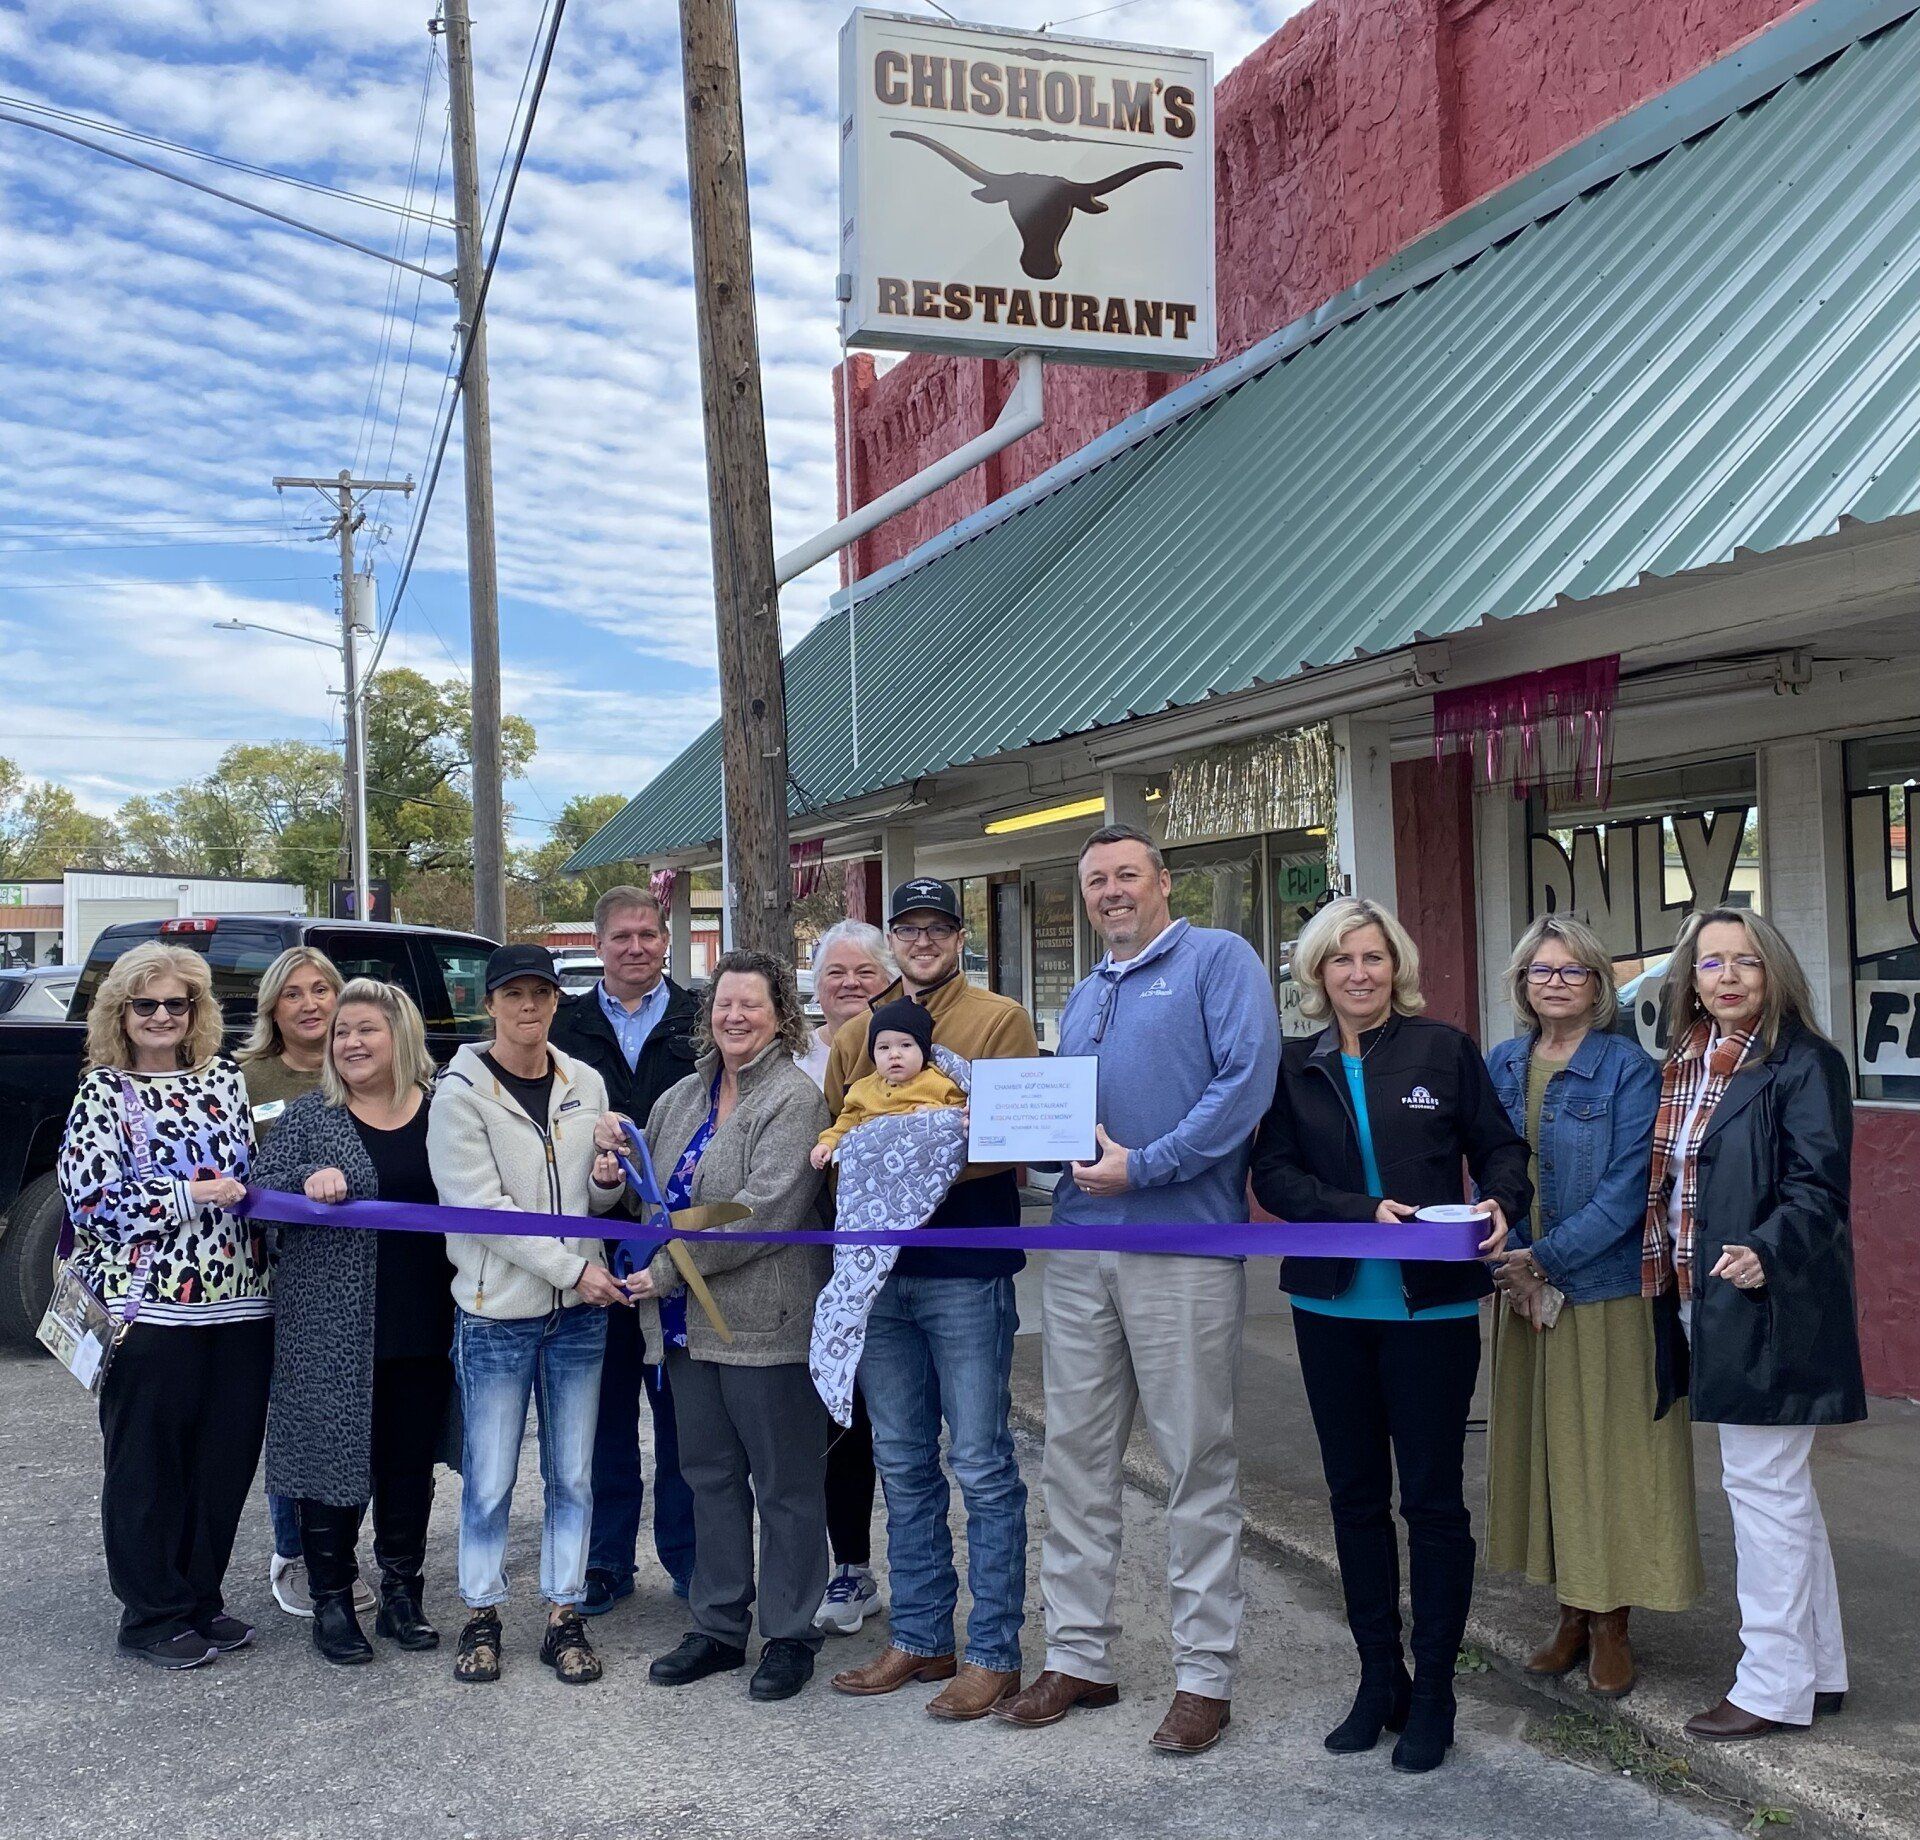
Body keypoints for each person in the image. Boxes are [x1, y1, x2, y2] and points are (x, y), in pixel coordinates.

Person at [995, 825, 1281, 1757]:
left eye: (1126, 875)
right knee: (1075, 1462)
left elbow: (1246, 1083)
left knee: (1196, 1460)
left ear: (1162, 882)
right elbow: (1073, 1124)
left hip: (1183, 1247)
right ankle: (1079, 1657)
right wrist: (1025, 1139)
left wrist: (1148, 1166)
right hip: (1078, 1251)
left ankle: (1206, 1677)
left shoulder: (1218, 960)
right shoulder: (1083, 995)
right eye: (1095, 882)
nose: (1111, 892)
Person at [1251, 897, 1527, 1774]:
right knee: (1354, 1499)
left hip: (1431, 1311)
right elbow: (1275, 1177)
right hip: (1330, 1309)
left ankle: (1436, 1690)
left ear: (1394, 966)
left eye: (1372, 958)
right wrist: (1358, 1211)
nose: (1359, 974)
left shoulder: (1443, 1049)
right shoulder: (1295, 1065)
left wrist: (1499, 1204)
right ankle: (1380, 1678)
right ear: (1318, 975)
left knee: (1434, 1505)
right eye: (1341, 961)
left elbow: (1502, 1149)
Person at [1642, 909, 1866, 1742]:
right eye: (1711, 964)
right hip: (1700, 1299)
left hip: (1769, 1302)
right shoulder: (1686, 1063)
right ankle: (1820, 1667)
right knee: (1781, 1496)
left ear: (1773, 971)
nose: (1727, 977)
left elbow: (1819, 1190)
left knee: (1762, 1493)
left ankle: (1772, 1685)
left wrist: (1763, 1251)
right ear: (1689, 976)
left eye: (1745, 962)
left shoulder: (1805, 1063)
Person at [828, 877, 1039, 1722]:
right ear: (893, 938)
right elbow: (839, 1133)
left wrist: (914, 1152)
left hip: (966, 1267)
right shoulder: (857, 1031)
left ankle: (994, 1652)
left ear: (959, 935)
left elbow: (1016, 1134)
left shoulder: (999, 1021)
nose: (922, 941)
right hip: (880, 1275)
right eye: (908, 928)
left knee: (983, 1463)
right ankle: (920, 1636)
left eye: (937, 927)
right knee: (903, 1464)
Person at [1483, 916, 1702, 1700]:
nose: (1556, 983)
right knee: (1550, 1455)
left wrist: (1544, 1257)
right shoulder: (1502, 1063)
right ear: (1521, 982)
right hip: (1519, 1291)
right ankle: (1571, 1612)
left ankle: (1612, 1624)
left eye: (1573, 972)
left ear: (1600, 986)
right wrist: (1499, 1250)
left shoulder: (1627, 1069)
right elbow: (1482, 1163)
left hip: (1601, 1288)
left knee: (1610, 1459)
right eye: (1542, 971)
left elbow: (1629, 1190)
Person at [57, 941, 269, 1669]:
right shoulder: (102, 1093)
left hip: (240, 1307)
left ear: (196, 1011)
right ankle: (150, 1615)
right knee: (148, 1467)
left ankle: (199, 1602)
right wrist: (190, 1194)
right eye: (145, 1005)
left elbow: (253, 1174)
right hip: (150, 1313)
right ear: (121, 1012)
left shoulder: (224, 1081)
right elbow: (92, 1202)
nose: (162, 1017)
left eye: (177, 1004)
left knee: (222, 1465)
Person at [427, 944, 632, 1688]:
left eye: (541, 994)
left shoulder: (585, 1082)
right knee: (487, 1479)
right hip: (495, 1315)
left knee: (573, 1476)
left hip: (578, 1316)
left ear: (554, 1001)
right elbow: (483, 1212)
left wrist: (608, 1181)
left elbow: (593, 1201)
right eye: (514, 994)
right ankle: (480, 1615)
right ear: (491, 1004)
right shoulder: (460, 1092)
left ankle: (562, 1615)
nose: (528, 1007)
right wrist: (576, 1270)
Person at [631, 951, 834, 1702]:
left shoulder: (794, 1099)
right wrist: (613, 1174)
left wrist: (655, 1274)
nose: (735, 1017)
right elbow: (649, 1205)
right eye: (724, 1005)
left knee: (784, 1485)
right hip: (685, 1329)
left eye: (752, 1005)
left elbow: (760, 1213)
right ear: (707, 1015)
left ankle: (789, 1633)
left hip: (766, 1324)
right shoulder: (680, 1098)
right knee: (707, 1478)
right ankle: (717, 1625)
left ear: (782, 1015)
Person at [252, 979, 456, 1666]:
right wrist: (307, 1182)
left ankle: (402, 1592)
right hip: (332, 1329)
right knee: (331, 1463)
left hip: (424, 1319)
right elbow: (262, 1203)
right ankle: (333, 1601)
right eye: (342, 1033)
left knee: (408, 1465)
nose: (350, 1043)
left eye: (366, 1029)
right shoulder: (311, 1119)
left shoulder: (444, 1114)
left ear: (401, 1035)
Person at [550, 885, 701, 1616]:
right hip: (594, 1237)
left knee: (682, 1412)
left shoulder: (702, 1018)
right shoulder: (565, 1025)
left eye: (647, 933)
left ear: (665, 938)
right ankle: (607, 1560)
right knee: (602, 1412)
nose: (635, 946)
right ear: (598, 944)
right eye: (621, 937)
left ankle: (690, 1557)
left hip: (686, 1245)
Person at [237, 945, 365, 1620]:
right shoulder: (244, 1078)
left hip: (353, 1279)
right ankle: (293, 1547)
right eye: (294, 993)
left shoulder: (366, 1073)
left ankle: (339, 1551)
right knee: (296, 1416)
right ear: (272, 1008)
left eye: (322, 989)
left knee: (347, 1415)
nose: (312, 1004)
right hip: (275, 1276)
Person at [797, 919, 894, 1635]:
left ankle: (917, 1583)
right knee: (838, 1422)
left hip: (894, 1266)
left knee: (901, 1426)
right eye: (836, 973)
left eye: (865, 972)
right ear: (816, 984)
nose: (850, 984)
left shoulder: (906, 1047)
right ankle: (848, 1568)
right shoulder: (789, 1056)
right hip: (809, 1264)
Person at [810, 998, 967, 1170]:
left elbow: (961, 1115)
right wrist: (827, 1143)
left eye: (906, 1045)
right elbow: (846, 1122)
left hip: (920, 1163)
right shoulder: (862, 1089)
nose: (894, 1054)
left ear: (923, 1050)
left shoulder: (938, 1083)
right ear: (873, 1054)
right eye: (883, 1048)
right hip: (873, 1165)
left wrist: (933, 1113)